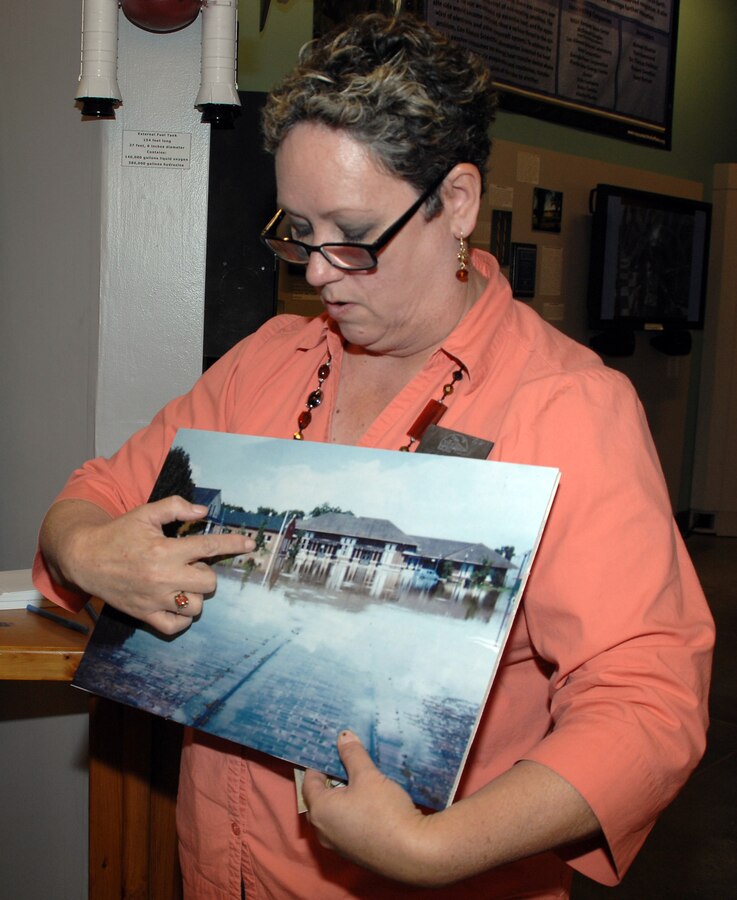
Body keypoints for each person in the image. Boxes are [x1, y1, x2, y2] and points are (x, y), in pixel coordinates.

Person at [34, 13, 713, 899]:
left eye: (353, 234)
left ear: (455, 201)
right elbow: (94, 493)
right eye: (297, 229)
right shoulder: (268, 360)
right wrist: (88, 549)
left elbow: (646, 704)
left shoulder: (567, 406)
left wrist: (438, 849)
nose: (316, 271)